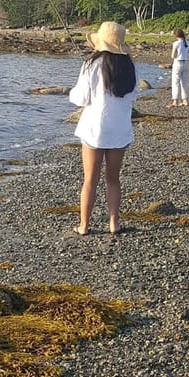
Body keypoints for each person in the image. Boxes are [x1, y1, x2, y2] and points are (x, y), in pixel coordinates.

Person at [69, 21, 138, 236]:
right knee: (113, 179)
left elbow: (80, 98)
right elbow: (133, 96)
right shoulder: (129, 66)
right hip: (119, 130)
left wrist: (71, 92)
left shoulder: (91, 64)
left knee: (90, 179)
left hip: (94, 130)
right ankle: (114, 223)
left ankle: (84, 225)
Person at [168, 28, 189, 107]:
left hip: (177, 63)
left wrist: (176, 55)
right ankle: (185, 100)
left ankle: (175, 101)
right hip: (185, 63)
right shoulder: (187, 43)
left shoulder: (176, 43)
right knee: (184, 82)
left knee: (175, 82)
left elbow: (172, 56)